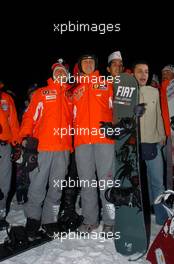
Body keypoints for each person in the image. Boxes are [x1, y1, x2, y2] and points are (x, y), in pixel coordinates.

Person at [19, 59, 73, 238]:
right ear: (52, 74)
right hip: (43, 147)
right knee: (37, 185)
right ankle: (33, 220)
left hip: (63, 149)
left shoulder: (70, 96)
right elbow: (29, 117)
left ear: (67, 76)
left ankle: (50, 220)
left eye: (63, 73)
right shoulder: (42, 93)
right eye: (57, 72)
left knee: (57, 187)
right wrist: (25, 137)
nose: (60, 74)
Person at [73, 53, 115, 235]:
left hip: (104, 139)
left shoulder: (106, 83)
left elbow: (119, 107)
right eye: (85, 61)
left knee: (107, 180)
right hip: (82, 140)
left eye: (91, 61)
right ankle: (90, 220)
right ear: (80, 65)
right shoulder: (73, 88)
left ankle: (111, 220)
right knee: (86, 181)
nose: (88, 64)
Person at [132, 61, 168, 225]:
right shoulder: (129, 92)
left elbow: (159, 116)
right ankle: (141, 217)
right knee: (139, 184)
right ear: (133, 74)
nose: (143, 74)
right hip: (135, 147)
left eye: (146, 71)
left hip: (153, 144)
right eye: (139, 71)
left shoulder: (154, 92)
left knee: (158, 184)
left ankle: (161, 219)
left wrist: (162, 136)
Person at [0, 80, 19, 230]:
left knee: (4, 184)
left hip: (4, 146)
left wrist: (16, 144)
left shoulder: (6, 98)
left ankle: (0, 216)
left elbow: (13, 123)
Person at [160, 65, 174, 189]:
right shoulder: (160, 88)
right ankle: (170, 194)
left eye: (167, 72)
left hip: (172, 132)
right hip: (166, 134)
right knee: (168, 166)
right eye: (163, 72)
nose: (164, 74)